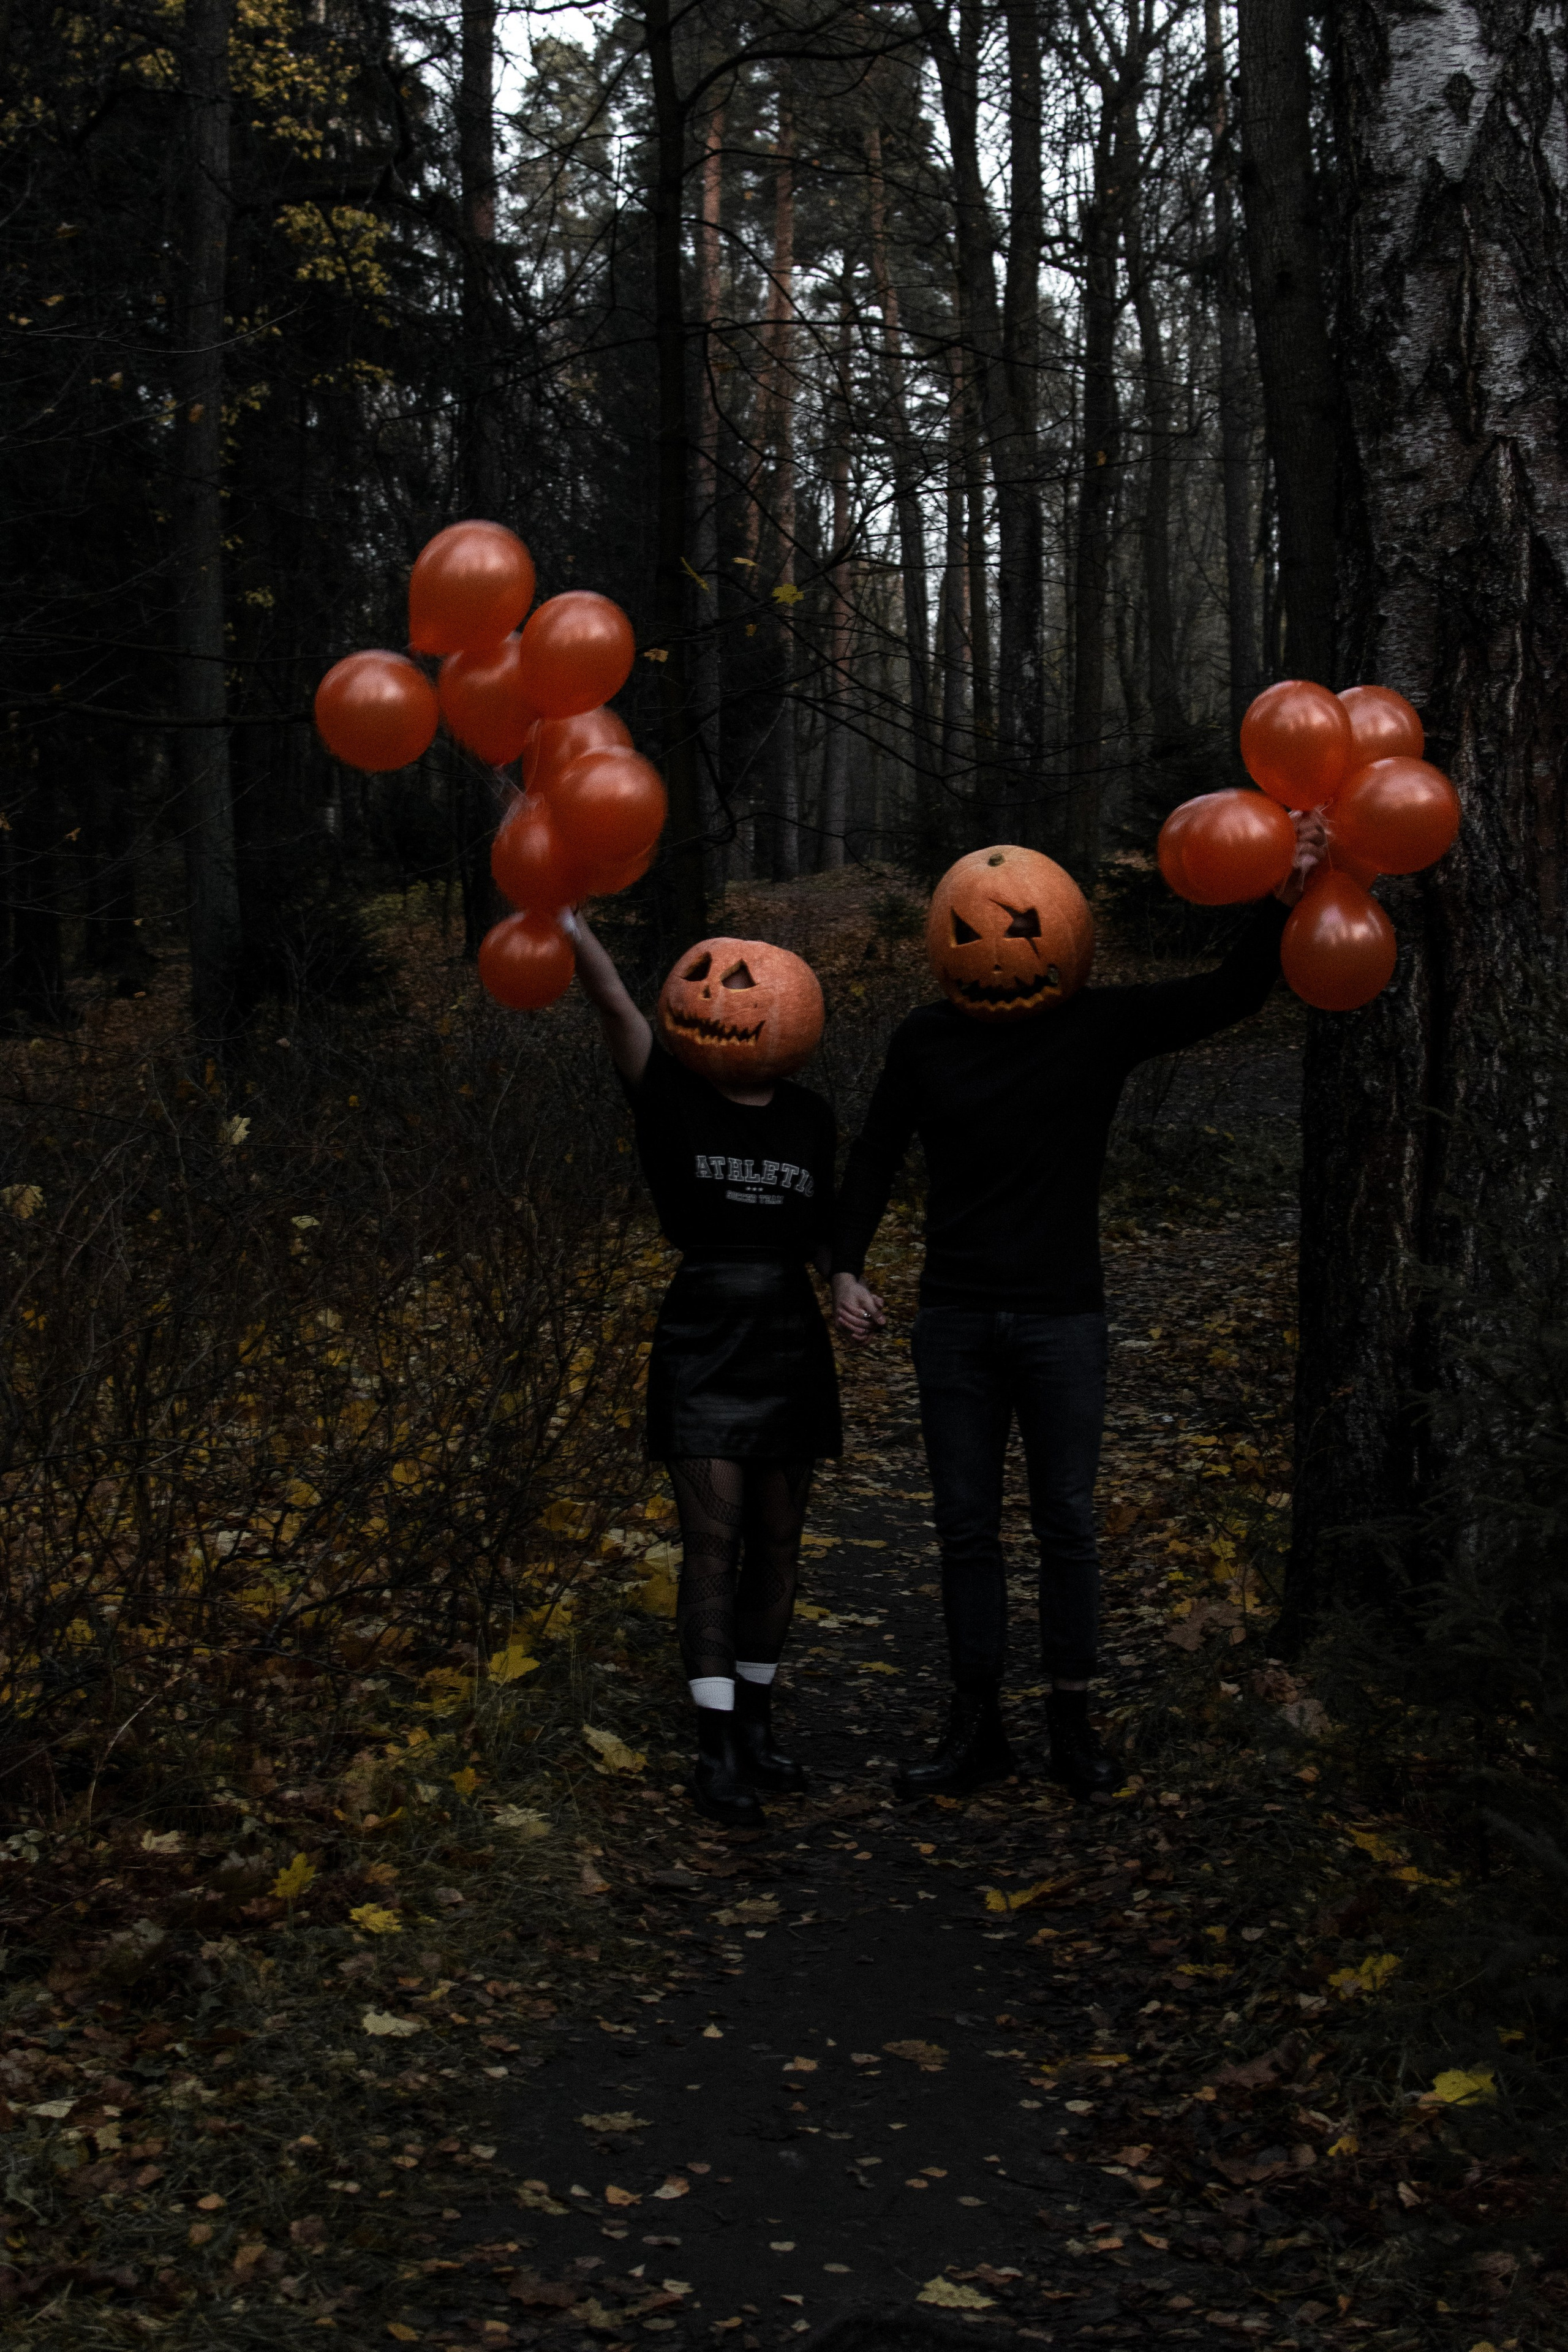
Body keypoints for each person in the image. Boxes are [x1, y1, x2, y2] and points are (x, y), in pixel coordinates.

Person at [829, 822, 1325, 1802]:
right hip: (957, 1321)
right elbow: (876, 1154)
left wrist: (1283, 900)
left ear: (1064, 932)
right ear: (944, 943)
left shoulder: (1098, 1025)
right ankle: (975, 1729)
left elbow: (1226, 997)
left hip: (1063, 1320)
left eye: (1020, 928)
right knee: (965, 1526)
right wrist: (841, 1266)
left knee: (1066, 1523)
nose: (999, 953)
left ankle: (1071, 1724)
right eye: (973, 935)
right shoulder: (925, 1039)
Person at [571, 917, 840, 1828]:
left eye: (757, 994)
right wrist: (570, 926)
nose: (733, 1003)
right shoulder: (671, 1095)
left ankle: (758, 1727)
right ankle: (715, 1744)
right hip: (704, 1332)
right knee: (714, 1544)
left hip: (790, 1335)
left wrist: (846, 1280)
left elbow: (822, 1231)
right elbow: (613, 1004)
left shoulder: (813, 1118)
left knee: (777, 1541)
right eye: (710, 981)